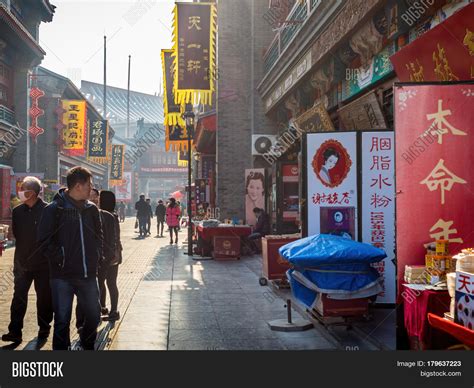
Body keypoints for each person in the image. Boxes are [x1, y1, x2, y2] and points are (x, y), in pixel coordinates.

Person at [38, 166, 103, 350]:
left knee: (94, 315)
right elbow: (43, 240)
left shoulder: (92, 210)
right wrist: (61, 257)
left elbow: (99, 237)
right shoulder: (54, 209)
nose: (92, 188)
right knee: (62, 320)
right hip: (62, 276)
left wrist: (97, 256)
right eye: (90, 184)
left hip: (87, 274)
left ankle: (87, 345)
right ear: (78, 186)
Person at [1, 177, 53, 343]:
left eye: (23, 189)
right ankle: (15, 331)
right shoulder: (17, 212)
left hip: (44, 264)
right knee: (19, 297)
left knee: (44, 297)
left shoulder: (48, 211)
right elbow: (17, 235)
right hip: (22, 263)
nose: (20, 192)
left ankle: (44, 328)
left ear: (32, 192)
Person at [98, 191, 122, 322]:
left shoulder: (108, 216)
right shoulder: (113, 215)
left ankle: (110, 310)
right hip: (114, 253)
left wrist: (110, 253)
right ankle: (109, 309)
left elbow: (113, 237)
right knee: (110, 283)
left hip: (109, 254)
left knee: (105, 282)